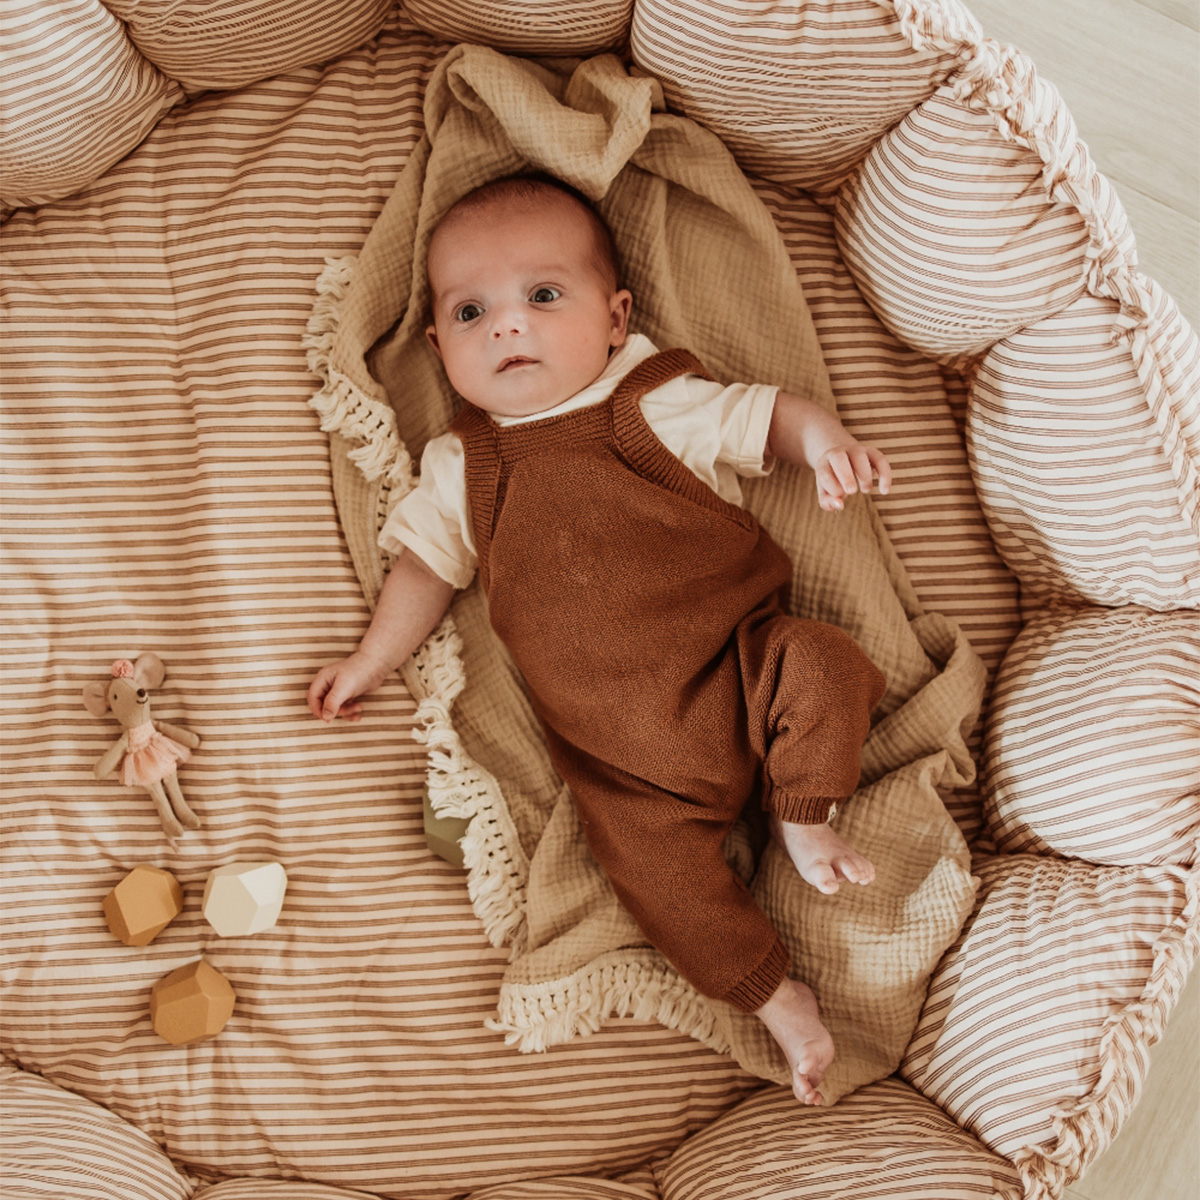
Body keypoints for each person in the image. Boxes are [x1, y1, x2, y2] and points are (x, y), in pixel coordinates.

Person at [308, 174, 891, 1105]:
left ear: (617, 318)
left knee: (826, 664)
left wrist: (826, 443)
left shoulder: (655, 401)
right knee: (653, 880)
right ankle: (777, 996)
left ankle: (802, 809)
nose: (507, 325)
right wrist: (372, 658)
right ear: (436, 345)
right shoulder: (463, 464)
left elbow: (769, 413)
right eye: (470, 310)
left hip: (742, 668)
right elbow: (423, 569)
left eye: (543, 296)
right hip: (626, 765)